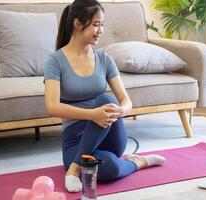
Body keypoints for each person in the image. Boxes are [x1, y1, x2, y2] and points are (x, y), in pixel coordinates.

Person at [44, 0, 166, 193]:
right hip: (75, 143)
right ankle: (138, 162)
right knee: (109, 166)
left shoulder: (104, 59)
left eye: (102, 24)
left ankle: (74, 168)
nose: (100, 30)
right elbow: (52, 107)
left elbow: (127, 102)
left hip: (110, 137)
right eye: (95, 24)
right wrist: (92, 114)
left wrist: (121, 110)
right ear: (77, 24)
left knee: (107, 101)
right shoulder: (55, 61)